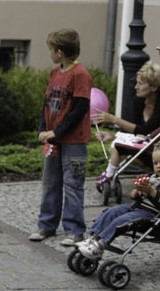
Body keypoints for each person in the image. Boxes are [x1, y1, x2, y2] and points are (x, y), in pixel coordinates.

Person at [30, 28, 92, 246]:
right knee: (50, 183)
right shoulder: (55, 73)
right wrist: (43, 129)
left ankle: (74, 230)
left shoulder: (80, 75)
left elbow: (79, 109)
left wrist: (57, 132)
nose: (49, 54)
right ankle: (46, 225)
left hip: (73, 142)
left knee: (72, 185)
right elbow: (47, 104)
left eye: (50, 50)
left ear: (59, 52)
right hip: (53, 140)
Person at [77, 150, 160, 260]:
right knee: (112, 212)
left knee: (121, 220)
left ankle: (100, 244)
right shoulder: (153, 178)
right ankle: (94, 238)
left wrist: (151, 192)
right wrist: (136, 192)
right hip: (137, 207)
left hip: (152, 216)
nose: (158, 166)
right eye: (155, 163)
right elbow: (134, 196)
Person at [91, 62, 160, 191]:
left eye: (140, 84)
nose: (135, 87)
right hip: (145, 145)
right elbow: (138, 134)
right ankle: (110, 176)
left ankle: (109, 176)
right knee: (116, 144)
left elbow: (144, 130)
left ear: (154, 87)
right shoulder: (138, 101)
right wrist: (112, 136)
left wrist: (114, 119)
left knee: (118, 143)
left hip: (156, 150)